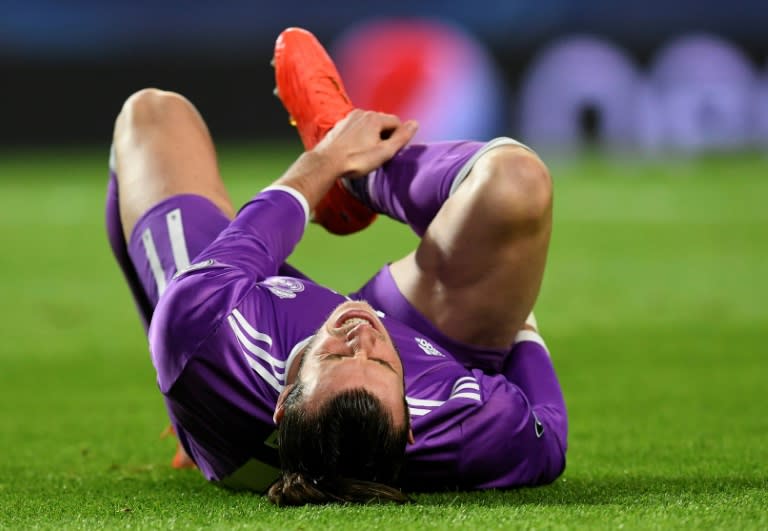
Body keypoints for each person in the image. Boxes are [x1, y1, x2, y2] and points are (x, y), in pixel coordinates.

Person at [105, 27, 567, 506]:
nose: (362, 336)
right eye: (384, 364)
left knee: (153, 113)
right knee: (518, 184)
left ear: (282, 400)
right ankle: (367, 181)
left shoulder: (211, 332)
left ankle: (358, 181)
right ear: (411, 427)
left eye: (337, 356)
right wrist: (516, 318)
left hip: (213, 345)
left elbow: (251, 240)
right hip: (397, 353)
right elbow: (548, 434)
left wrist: (328, 159)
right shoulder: (464, 425)